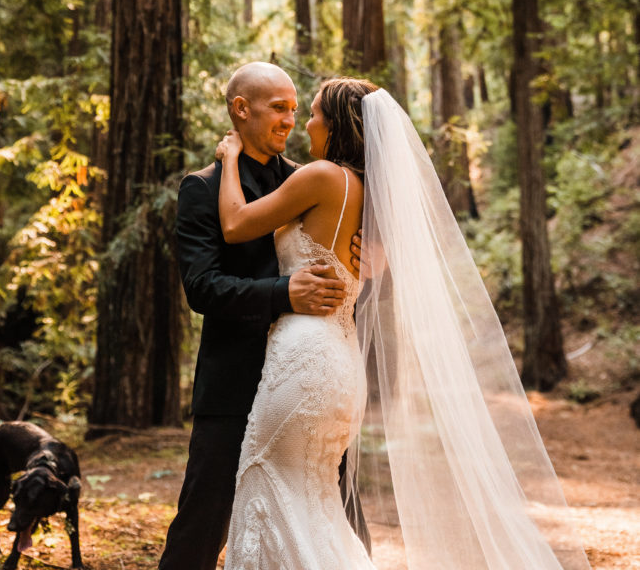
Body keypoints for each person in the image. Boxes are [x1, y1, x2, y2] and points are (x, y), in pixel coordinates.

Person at [216, 77, 592, 570]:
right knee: (314, 507)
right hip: (342, 365)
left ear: (335, 126)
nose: (305, 123)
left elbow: (236, 223)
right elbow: (373, 260)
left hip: (303, 359)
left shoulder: (322, 177)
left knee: (272, 489)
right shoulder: (373, 193)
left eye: (312, 114)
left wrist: (227, 158)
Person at [158, 62, 359, 570]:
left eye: (296, 109)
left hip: (306, 385)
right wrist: (284, 293)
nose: (290, 120)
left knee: (329, 513)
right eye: (278, 108)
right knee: (202, 526)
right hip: (235, 381)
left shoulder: (314, 180)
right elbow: (203, 288)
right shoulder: (202, 188)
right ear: (240, 109)